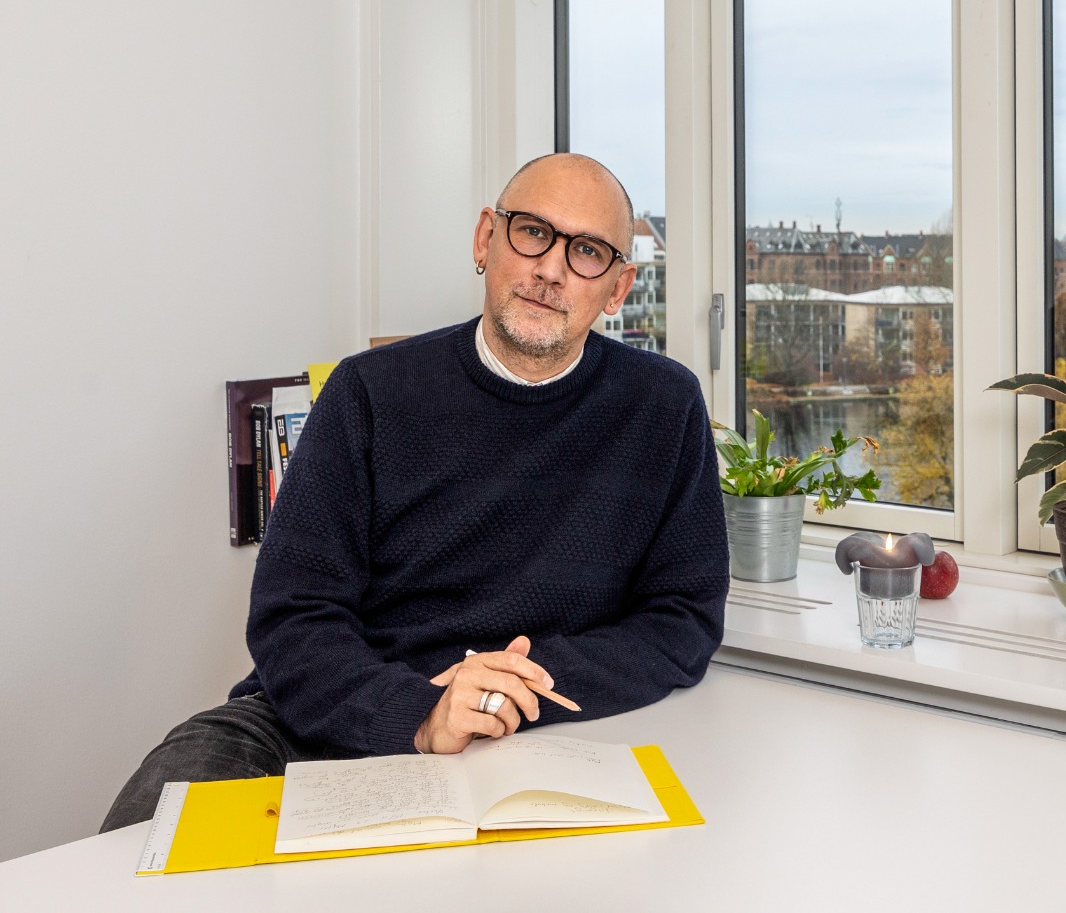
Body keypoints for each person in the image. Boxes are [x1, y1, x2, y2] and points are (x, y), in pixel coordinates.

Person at [102, 153, 729, 831]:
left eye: (587, 251)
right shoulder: (367, 392)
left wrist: (506, 692)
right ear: (485, 239)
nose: (551, 268)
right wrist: (422, 713)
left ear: (618, 287)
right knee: (146, 836)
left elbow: (682, 618)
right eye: (532, 232)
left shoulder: (664, 405)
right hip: (327, 721)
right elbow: (293, 618)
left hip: (533, 739)